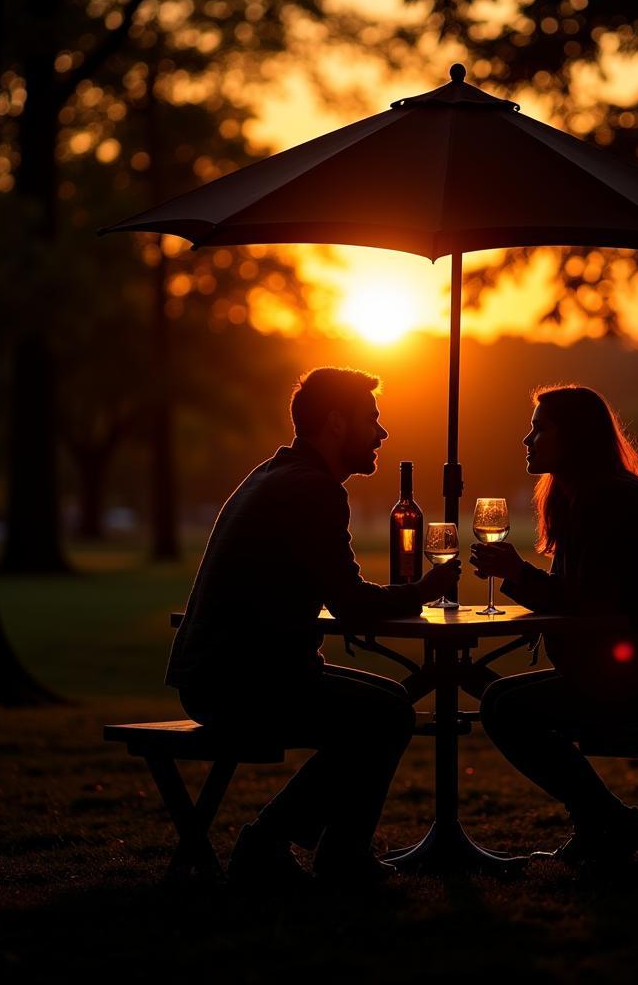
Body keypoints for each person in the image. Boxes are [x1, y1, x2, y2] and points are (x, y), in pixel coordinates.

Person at [167, 367, 460, 886]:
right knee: (388, 714)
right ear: (335, 423)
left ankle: (314, 849)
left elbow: (332, 591)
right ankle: (288, 846)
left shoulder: (274, 474)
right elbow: (351, 604)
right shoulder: (312, 490)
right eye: (371, 418)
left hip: (218, 674)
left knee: (388, 705)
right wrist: (423, 591)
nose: (382, 433)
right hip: (240, 685)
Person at [469, 385, 638, 867]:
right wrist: (529, 588)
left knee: (505, 708)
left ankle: (604, 821)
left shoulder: (610, 502)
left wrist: (517, 575)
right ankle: (605, 820)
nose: (527, 439)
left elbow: (592, 604)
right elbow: (583, 599)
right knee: (502, 700)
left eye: (539, 428)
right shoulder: (592, 498)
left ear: (574, 436)